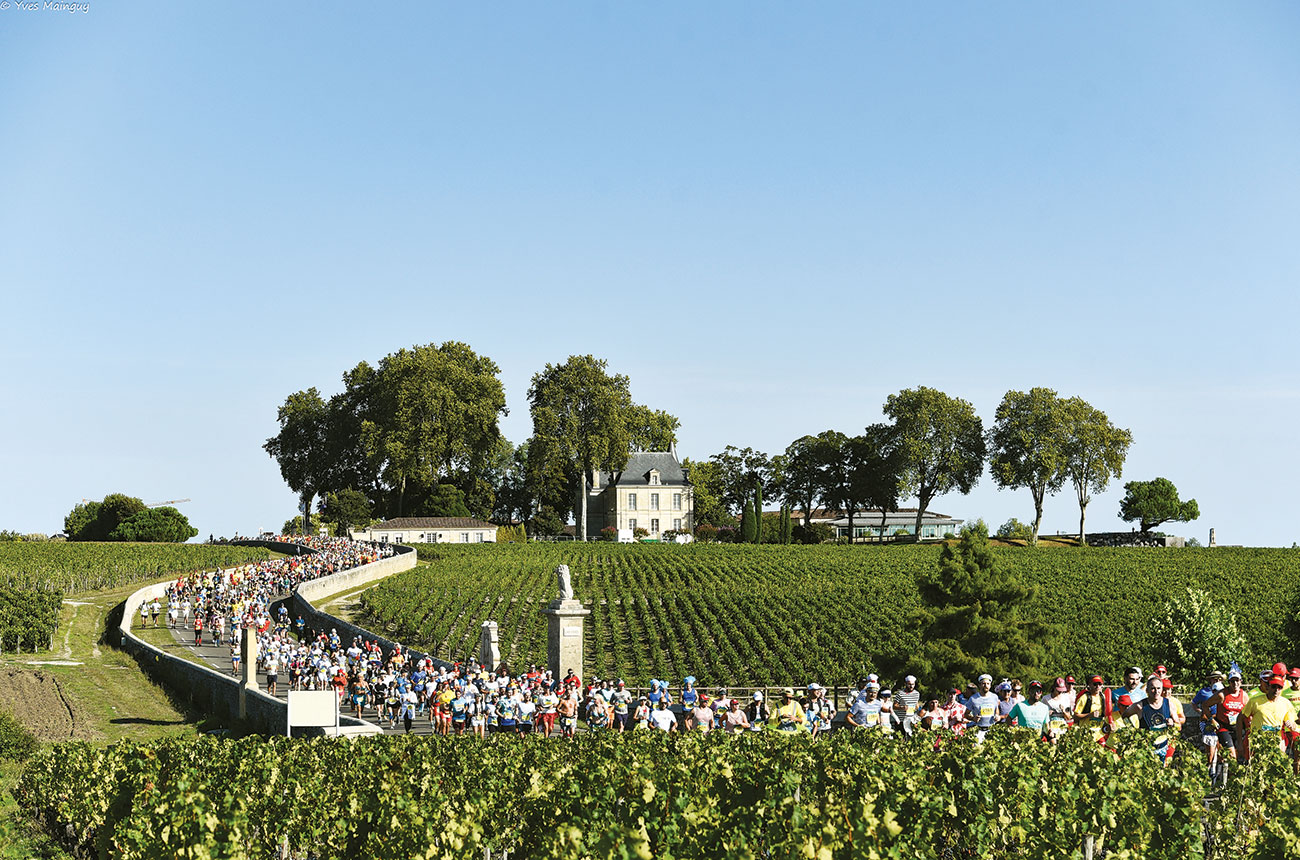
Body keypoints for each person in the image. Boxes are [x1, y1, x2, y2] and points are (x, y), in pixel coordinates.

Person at [1240, 671, 1298, 761]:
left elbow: (1293, 725)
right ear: (1269, 686)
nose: (1276, 690)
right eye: (1274, 686)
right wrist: (1240, 741)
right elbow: (1240, 718)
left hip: (1276, 744)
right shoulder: (1255, 701)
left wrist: (1291, 724)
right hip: (1257, 743)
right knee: (1255, 771)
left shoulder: (1286, 703)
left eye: (1279, 687)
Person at [1123, 676, 1176, 763]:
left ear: (1162, 689)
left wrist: (1172, 723)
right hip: (1145, 750)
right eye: (1153, 688)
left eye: (1158, 688)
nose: (1156, 691)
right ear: (1147, 691)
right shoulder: (1139, 706)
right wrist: (1131, 730)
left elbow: (1179, 723)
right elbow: (1125, 715)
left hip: (1163, 748)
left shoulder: (1169, 704)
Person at [966, 675, 1001, 739]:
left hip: (992, 730)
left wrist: (997, 716)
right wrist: (973, 718)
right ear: (979, 685)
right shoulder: (973, 698)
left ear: (990, 685)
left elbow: (996, 710)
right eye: (983, 684)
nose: (986, 686)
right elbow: (966, 714)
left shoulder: (995, 697)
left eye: (988, 684)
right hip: (978, 731)